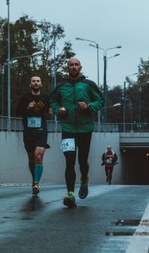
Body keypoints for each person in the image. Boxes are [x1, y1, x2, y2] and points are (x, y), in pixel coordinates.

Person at [50, 58, 104, 208]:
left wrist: (89, 106)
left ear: (80, 67)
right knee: (69, 161)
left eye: (76, 65)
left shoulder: (88, 85)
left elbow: (100, 100)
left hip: (85, 129)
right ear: (67, 68)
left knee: (82, 161)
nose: (73, 67)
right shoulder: (61, 86)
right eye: (71, 65)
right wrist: (58, 110)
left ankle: (84, 179)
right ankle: (70, 194)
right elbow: (52, 101)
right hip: (68, 129)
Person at [16, 76, 52, 195]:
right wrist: (27, 107)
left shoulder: (45, 97)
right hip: (28, 131)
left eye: (38, 81)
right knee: (31, 158)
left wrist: (52, 111)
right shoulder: (25, 98)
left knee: (38, 156)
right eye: (33, 81)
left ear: (41, 84)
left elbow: (49, 111)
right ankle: (34, 180)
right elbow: (16, 112)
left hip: (41, 130)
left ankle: (36, 183)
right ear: (30, 84)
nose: (36, 83)